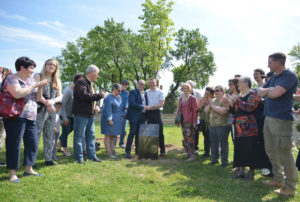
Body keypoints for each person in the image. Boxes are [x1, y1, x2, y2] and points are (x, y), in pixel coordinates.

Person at [258, 52, 298, 196]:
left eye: (270, 62)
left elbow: (275, 94)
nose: (268, 65)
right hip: (268, 118)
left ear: (279, 62)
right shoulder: (274, 77)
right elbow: (259, 91)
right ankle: (277, 179)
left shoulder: (289, 76)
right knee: (271, 150)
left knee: (284, 153)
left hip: (282, 119)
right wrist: (269, 90)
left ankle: (290, 187)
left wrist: (268, 91)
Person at [3, 57, 48, 183]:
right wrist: (34, 85)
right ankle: (12, 173)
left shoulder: (30, 80)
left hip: (31, 116)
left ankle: (29, 168)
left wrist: (40, 87)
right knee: (14, 144)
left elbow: (36, 97)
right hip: (15, 116)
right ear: (22, 67)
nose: (33, 71)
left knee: (32, 142)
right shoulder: (12, 78)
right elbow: (17, 94)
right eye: (31, 68)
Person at [225, 77, 271, 181]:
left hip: (251, 129)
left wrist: (237, 100)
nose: (238, 84)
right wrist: (230, 104)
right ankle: (240, 171)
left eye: (240, 82)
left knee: (251, 150)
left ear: (246, 84)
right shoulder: (239, 96)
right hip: (239, 129)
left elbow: (250, 107)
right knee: (240, 149)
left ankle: (251, 174)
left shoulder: (254, 94)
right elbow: (235, 111)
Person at [72, 64, 104, 164]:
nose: (98, 76)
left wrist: (96, 106)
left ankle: (91, 156)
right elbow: (84, 96)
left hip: (90, 114)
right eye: (97, 73)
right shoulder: (81, 81)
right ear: (91, 72)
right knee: (79, 136)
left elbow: (90, 98)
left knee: (91, 136)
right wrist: (100, 95)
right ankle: (78, 158)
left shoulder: (90, 83)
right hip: (81, 113)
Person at [34, 59, 62, 166]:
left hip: (51, 111)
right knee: (36, 134)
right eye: (50, 64)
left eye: (54, 65)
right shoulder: (38, 76)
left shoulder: (57, 80)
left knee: (50, 135)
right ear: (45, 65)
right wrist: (48, 103)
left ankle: (48, 159)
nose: (52, 66)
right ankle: (32, 160)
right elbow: (36, 93)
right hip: (39, 109)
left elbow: (60, 96)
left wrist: (53, 102)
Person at [57, 74, 83, 156]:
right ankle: (65, 150)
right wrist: (64, 118)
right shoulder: (68, 91)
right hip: (63, 114)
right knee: (65, 131)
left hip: (71, 115)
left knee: (70, 129)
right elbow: (63, 105)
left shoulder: (76, 91)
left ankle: (59, 142)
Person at [204, 85, 230, 167]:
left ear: (223, 91)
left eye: (218, 90)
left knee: (223, 144)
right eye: (215, 90)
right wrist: (209, 105)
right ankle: (214, 159)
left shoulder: (225, 100)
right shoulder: (212, 100)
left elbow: (223, 111)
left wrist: (213, 106)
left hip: (223, 125)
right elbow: (206, 111)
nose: (216, 92)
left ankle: (224, 162)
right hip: (212, 125)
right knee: (213, 143)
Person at [125, 80, 148, 159]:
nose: (141, 85)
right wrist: (143, 107)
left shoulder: (145, 93)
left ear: (144, 86)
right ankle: (128, 151)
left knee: (139, 134)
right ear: (137, 84)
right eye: (140, 84)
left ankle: (138, 151)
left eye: (143, 84)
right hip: (134, 116)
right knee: (132, 132)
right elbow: (132, 103)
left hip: (143, 116)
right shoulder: (133, 92)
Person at [176, 83, 197, 161]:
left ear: (190, 89)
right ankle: (189, 154)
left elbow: (195, 111)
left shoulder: (192, 98)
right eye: (184, 88)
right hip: (182, 120)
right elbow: (179, 110)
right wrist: (177, 120)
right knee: (185, 137)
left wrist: (194, 122)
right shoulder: (181, 98)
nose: (185, 90)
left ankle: (192, 156)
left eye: (186, 88)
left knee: (190, 138)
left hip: (189, 121)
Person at [101, 83, 123, 158]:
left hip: (117, 119)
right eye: (119, 90)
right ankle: (108, 152)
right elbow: (108, 110)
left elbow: (120, 107)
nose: (120, 92)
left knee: (114, 135)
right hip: (110, 118)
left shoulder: (119, 97)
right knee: (108, 135)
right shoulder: (108, 98)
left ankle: (112, 150)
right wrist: (109, 119)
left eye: (121, 91)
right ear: (114, 89)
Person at [146, 78, 166, 157]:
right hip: (149, 114)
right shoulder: (146, 92)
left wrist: (151, 107)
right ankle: (152, 151)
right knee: (151, 133)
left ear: (156, 83)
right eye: (150, 83)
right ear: (148, 84)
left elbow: (161, 104)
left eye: (153, 83)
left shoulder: (160, 92)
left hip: (158, 113)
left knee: (160, 132)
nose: (152, 84)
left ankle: (162, 151)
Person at [185, 80, 202, 155]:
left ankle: (195, 148)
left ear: (192, 86)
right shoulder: (183, 94)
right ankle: (188, 148)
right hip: (186, 117)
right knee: (187, 133)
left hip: (196, 116)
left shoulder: (197, 94)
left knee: (195, 133)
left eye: (189, 85)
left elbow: (200, 104)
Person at [197, 87, 214, 158]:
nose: (206, 95)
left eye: (208, 94)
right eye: (205, 93)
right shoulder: (201, 99)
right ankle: (206, 152)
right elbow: (198, 109)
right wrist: (202, 103)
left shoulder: (213, 101)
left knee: (212, 138)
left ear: (212, 95)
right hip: (203, 120)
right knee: (206, 137)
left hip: (211, 122)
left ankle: (213, 154)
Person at [115, 80, 129, 148]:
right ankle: (113, 144)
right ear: (120, 84)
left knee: (124, 130)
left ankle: (121, 143)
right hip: (118, 113)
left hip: (126, 113)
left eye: (126, 84)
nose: (124, 85)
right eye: (123, 84)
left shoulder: (128, 93)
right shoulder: (117, 93)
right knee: (116, 128)